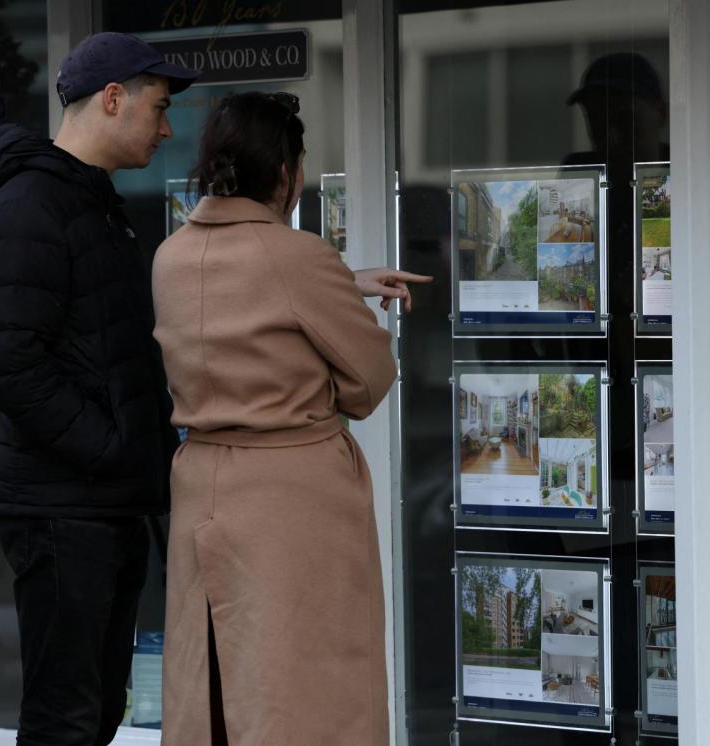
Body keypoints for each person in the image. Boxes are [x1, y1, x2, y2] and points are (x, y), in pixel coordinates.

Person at [152, 91, 428, 745]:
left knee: (216, 691)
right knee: (307, 698)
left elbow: (247, 293)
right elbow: (369, 382)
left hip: (202, 486)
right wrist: (333, 284)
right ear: (286, 171)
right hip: (291, 500)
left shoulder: (171, 257)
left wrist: (337, 279)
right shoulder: (297, 257)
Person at [0, 32, 200, 745]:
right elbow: (8, 362)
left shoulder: (95, 206)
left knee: (94, 711)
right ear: (111, 98)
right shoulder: (32, 204)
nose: (166, 129)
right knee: (64, 718)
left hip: (102, 506)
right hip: (63, 511)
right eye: (158, 109)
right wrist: (111, 449)